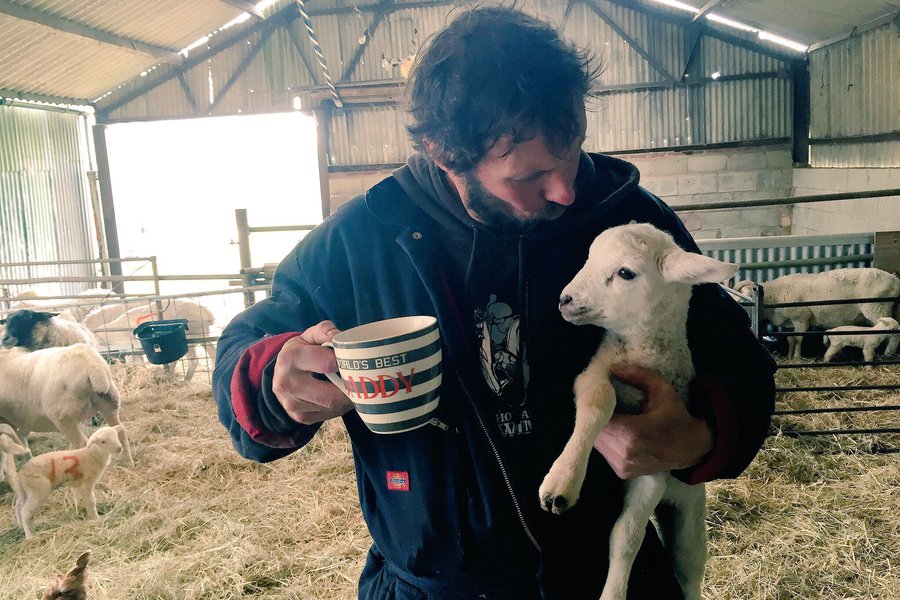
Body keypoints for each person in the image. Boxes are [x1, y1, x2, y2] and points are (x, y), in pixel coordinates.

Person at [213, 6, 776, 599]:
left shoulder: (630, 227)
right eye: (527, 176)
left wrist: (698, 437)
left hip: (614, 578)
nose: (564, 190)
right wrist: (276, 375)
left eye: (573, 152)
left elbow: (743, 365)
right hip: (433, 586)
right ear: (441, 150)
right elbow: (243, 358)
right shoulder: (363, 239)